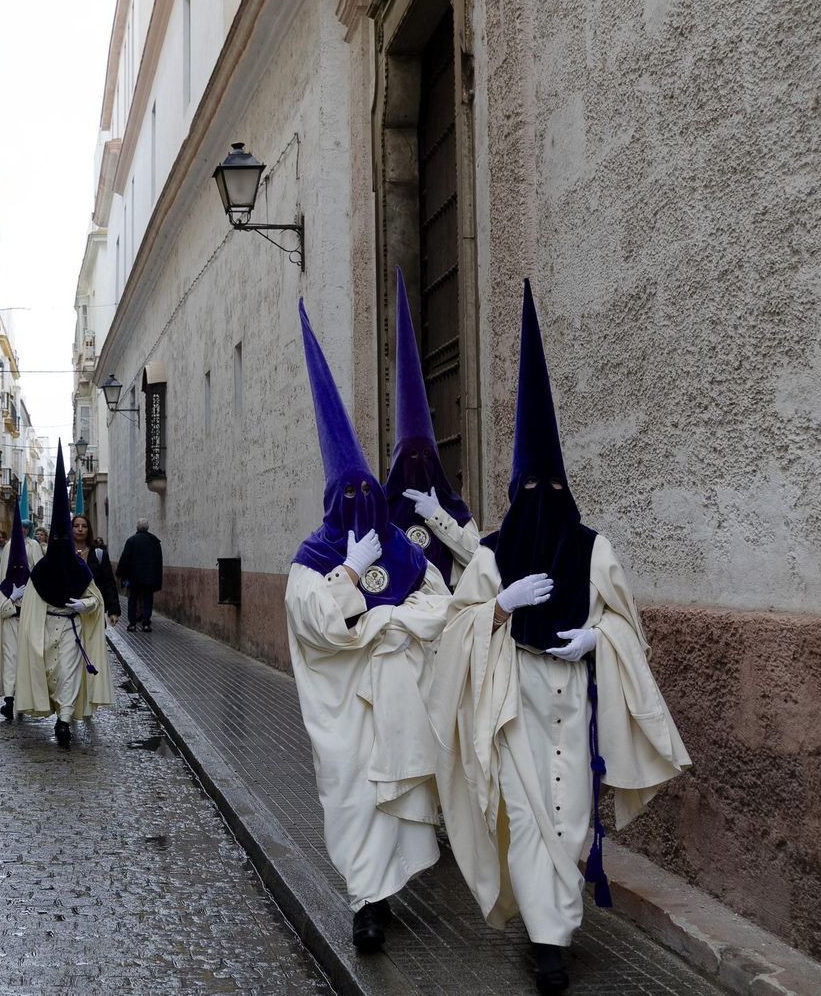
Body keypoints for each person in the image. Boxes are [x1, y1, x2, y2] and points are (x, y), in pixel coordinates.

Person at [430, 283, 690, 995]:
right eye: (530, 488)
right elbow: (455, 633)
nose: (542, 502)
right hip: (513, 702)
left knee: (570, 822)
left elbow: (625, 625)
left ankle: (556, 928)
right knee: (524, 816)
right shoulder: (487, 556)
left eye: (554, 487)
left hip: (572, 702)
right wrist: (499, 608)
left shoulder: (593, 549)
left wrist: (595, 639)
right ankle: (550, 946)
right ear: (516, 492)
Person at [284, 300, 451, 952]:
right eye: (346, 499)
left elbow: (439, 602)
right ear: (332, 503)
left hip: (397, 699)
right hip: (346, 710)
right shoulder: (315, 559)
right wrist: (350, 575)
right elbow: (312, 619)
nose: (359, 508)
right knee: (354, 799)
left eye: (367, 497)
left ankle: (382, 901)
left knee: (396, 802)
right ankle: (364, 901)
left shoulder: (406, 550)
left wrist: (390, 621)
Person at [12, 445, 114, 748]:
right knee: (49, 674)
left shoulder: (81, 566)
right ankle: (58, 712)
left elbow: (96, 598)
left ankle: (65, 721)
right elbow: (31, 606)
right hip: (46, 631)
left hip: (71, 630)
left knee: (69, 674)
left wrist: (86, 604)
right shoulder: (42, 569)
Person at [384, 268, 481, 585]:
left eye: (426, 454)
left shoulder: (454, 507)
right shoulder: (379, 508)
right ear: (397, 461)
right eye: (410, 456)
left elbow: (476, 558)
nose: (418, 462)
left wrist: (438, 515)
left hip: (449, 622)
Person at [0, 510, 39, 721]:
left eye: (25, 527)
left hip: (30, 616)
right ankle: (10, 700)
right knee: (11, 658)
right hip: (12, 614)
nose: (23, 530)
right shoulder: (10, 546)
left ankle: (24, 698)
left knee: (27, 658)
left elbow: (38, 573)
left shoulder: (35, 546)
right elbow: (5, 575)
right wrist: (10, 597)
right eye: (19, 526)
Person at [73, 513, 121, 627]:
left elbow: (109, 583)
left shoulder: (99, 554)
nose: (80, 529)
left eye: (84, 526)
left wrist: (113, 611)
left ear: (89, 530)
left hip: (93, 611)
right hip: (69, 612)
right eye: (76, 526)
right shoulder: (63, 554)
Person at [116, 519, 163, 631]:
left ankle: (132, 624)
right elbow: (158, 562)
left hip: (133, 578)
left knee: (132, 600)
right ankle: (146, 624)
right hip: (149, 578)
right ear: (147, 528)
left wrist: (124, 577)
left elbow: (126, 560)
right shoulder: (154, 541)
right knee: (148, 601)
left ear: (137, 528)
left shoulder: (131, 541)